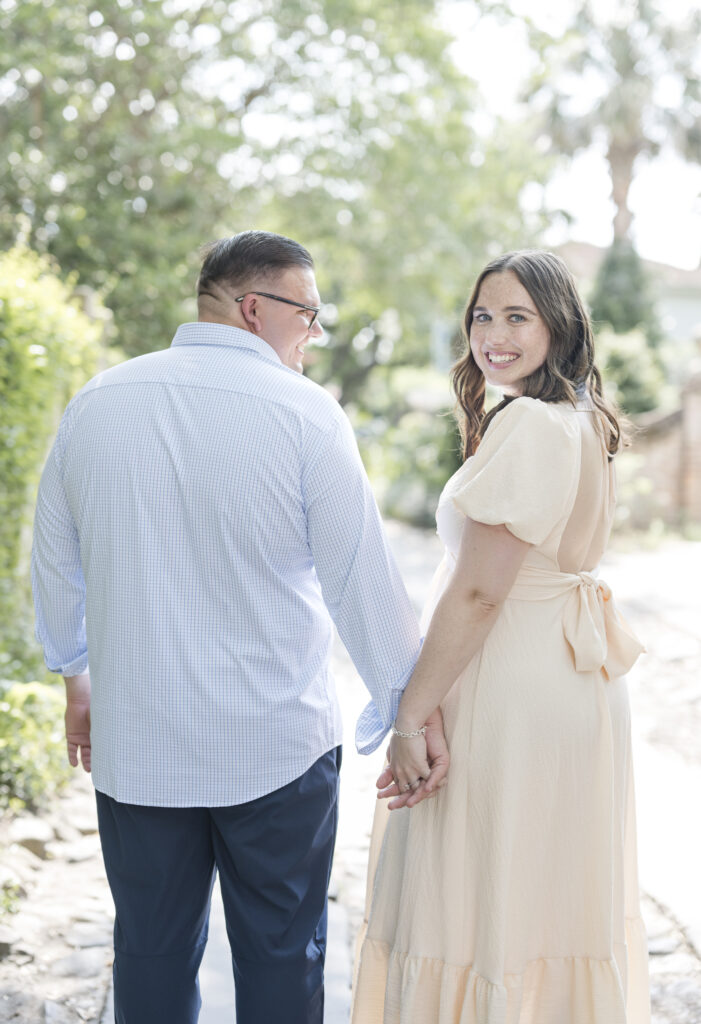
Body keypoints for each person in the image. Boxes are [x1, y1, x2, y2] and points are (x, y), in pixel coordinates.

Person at [31, 230, 449, 1024]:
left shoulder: (96, 402)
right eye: (311, 315)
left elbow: (54, 562)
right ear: (255, 309)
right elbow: (359, 578)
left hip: (140, 741)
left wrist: (74, 677)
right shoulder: (306, 415)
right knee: (283, 954)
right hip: (276, 744)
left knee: (149, 951)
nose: (317, 336)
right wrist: (409, 711)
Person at [352, 250, 651, 1024]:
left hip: (508, 687)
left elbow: (481, 590)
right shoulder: (582, 421)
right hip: (573, 687)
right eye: (482, 315)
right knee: (539, 905)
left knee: (478, 901)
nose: (494, 334)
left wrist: (411, 715)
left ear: (559, 324)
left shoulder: (525, 424)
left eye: (517, 316)